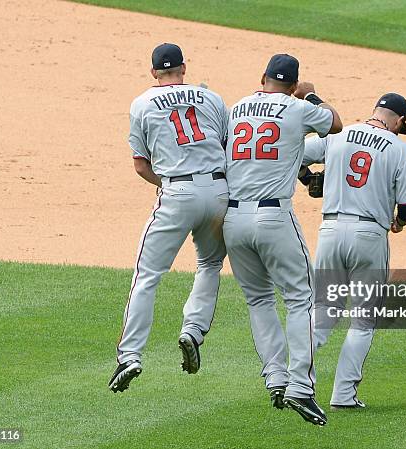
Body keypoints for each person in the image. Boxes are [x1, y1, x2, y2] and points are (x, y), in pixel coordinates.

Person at [223, 54, 342, 425]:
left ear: (262, 79)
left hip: (232, 218)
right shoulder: (296, 107)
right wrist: (311, 96)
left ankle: (275, 377)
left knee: (258, 299)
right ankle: (301, 388)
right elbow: (336, 125)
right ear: (292, 85)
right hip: (273, 216)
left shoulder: (237, 107)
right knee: (303, 298)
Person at [109, 43, 230, 393]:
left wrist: (173, 186)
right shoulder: (212, 98)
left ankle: (130, 356)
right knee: (209, 265)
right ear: (184, 68)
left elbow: (140, 164)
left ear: (153, 73)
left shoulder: (142, 102)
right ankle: (193, 330)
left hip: (177, 193)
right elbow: (225, 146)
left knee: (146, 276)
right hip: (218, 191)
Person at [301, 93, 406, 409]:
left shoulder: (338, 135)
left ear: (375, 111)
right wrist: (399, 222)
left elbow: (295, 153)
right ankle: (343, 395)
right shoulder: (400, 149)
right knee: (363, 320)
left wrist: (310, 180)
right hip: (369, 236)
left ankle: (297, 382)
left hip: (329, 232)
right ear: (399, 120)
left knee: (324, 310)